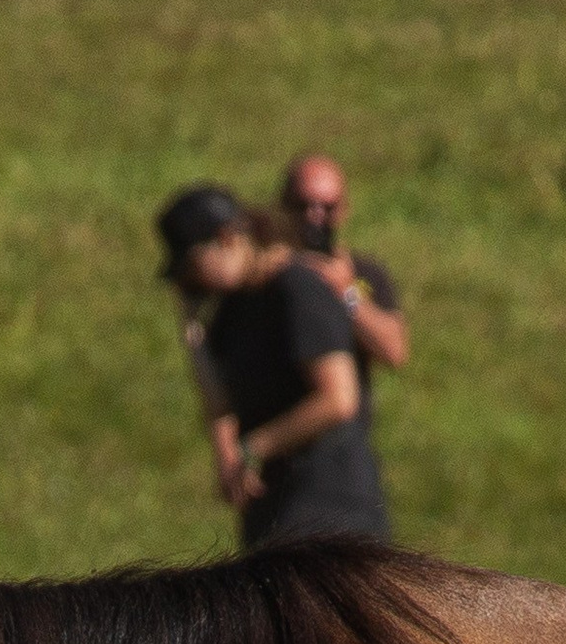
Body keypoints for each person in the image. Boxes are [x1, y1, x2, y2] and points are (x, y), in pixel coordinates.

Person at [156, 184, 392, 548]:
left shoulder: (296, 290)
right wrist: (194, 336)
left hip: (329, 505)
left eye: (192, 266)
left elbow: (339, 399)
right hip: (275, 510)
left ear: (226, 238)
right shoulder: (232, 312)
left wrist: (255, 447)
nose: (191, 282)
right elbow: (222, 403)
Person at [277, 155, 409, 386]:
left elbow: (394, 351)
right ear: (284, 205)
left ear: (343, 210)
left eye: (327, 207)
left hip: (345, 420)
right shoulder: (267, 273)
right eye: (302, 205)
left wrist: (346, 294)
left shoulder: (364, 274)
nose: (314, 216)